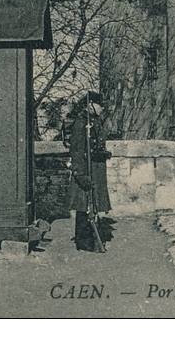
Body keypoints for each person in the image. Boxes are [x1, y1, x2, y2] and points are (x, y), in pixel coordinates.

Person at [67, 91, 112, 252]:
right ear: (90, 105)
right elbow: (77, 150)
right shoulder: (81, 124)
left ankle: (89, 240)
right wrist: (80, 174)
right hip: (86, 170)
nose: (102, 108)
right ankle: (84, 242)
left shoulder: (94, 122)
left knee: (91, 205)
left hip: (95, 169)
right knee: (84, 206)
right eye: (99, 105)